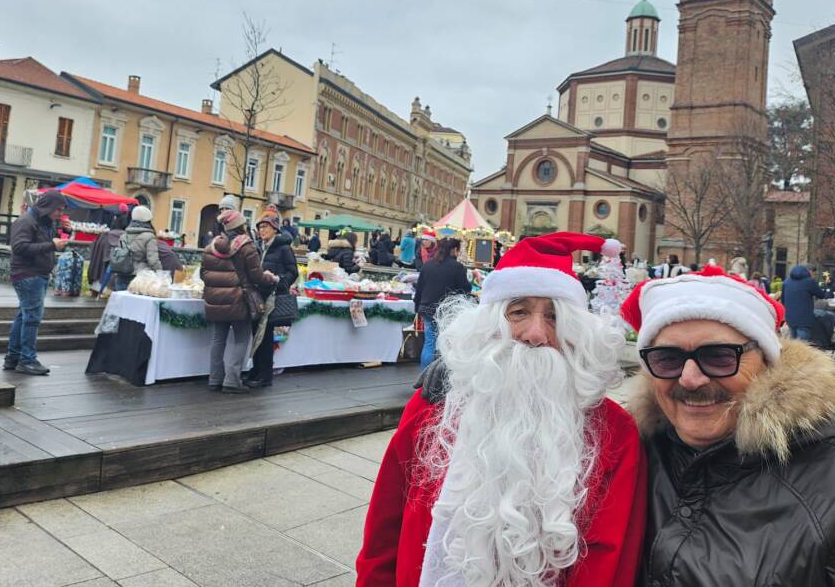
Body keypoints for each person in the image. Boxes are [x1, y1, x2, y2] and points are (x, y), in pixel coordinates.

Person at [357, 232, 646, 586]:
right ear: (490, 323)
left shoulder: (614, 432)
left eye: (554, 317)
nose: (535, 333)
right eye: (519, 312)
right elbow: (383, 535)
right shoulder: (435, 406)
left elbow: (607, 564)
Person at [621, 264, 835, 586]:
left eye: (720, 357)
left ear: (766, 362)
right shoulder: (631, 457)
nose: (690, 379)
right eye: (667, 359)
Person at [201, 210, 276, 394]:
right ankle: (232, 380)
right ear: (241, 226)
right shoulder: (246, 247)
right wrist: (271, 279)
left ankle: (215, 379)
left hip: (216, 300)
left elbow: (203, 274)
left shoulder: (212, 247)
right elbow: (257, 277)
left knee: (218, 339)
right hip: (239, 300)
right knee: (241, 339)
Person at [5, 190, 68, 375]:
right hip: (28, 275)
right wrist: (52, 245)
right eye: (58, 209)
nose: (60, 213)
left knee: (23, 316)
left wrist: (66, 231)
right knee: (32, 318)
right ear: (47, 205)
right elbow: (19, 247)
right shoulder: (26, 221)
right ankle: (27, 360)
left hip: (34, 274)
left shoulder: (42, 221)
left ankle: (13, 358)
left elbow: (46, 243)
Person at [246, 213, 298, 388]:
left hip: (272, 297)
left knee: (266, 337)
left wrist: (278, 279)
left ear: (275, 229)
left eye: (265, 227)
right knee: (256, 335)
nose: (262, 230)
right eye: (260, 227)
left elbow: (293, 272)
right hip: (257, 296)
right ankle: (256, 370)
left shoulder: (283, 248)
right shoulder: (258, 246)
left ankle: (265, 375)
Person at [413, 237, 472, 370]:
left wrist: (417, 307)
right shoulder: (458, 267)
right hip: (447, 311)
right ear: (454, 250)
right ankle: (444, 375)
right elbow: (465, 289)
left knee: (430, 343)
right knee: (448, 343)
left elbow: (419, 287)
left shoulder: (428, 265)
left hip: (427, 308)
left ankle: (425, 375)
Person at [113, 206, 162, 291]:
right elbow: (153, 261)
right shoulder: (150, 237)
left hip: (121, 276)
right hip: (139, 280)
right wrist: (161, 274)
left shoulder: (123, 236)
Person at [780, 264, 827, 341]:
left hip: (790, 318)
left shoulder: (786, 282)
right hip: (804, 319)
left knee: (793, 344)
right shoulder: (809, 282)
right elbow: (821, 295)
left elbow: (783, 300)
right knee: (802, 346)